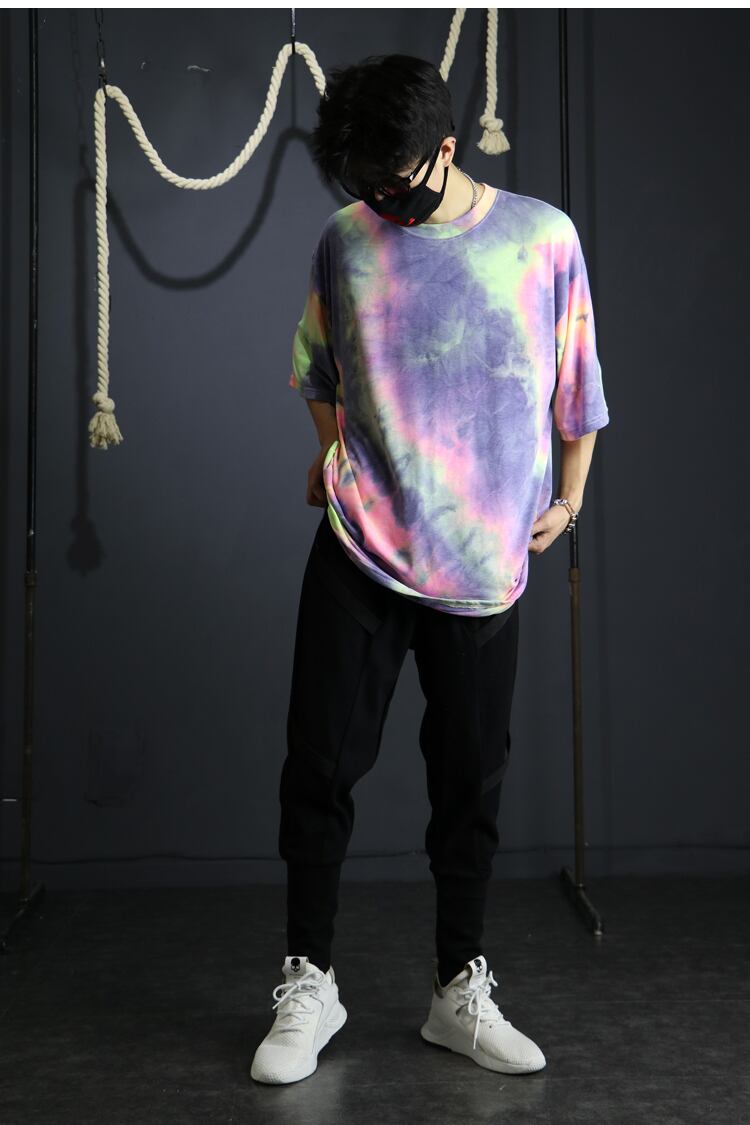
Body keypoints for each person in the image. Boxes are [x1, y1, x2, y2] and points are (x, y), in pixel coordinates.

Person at [250, 53, 610, 1086]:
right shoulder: (346, 239)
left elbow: (579, 390)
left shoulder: (542, 239)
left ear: (447, 150)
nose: (381, 201)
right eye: (363, 185)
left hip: (483, 563)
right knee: (318, 770)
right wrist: (334, 455)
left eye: (395, 181)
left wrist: (568, 504)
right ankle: (310, 981)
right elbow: (317, 368)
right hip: (361, 549)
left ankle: (460, 989)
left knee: (469, 782)